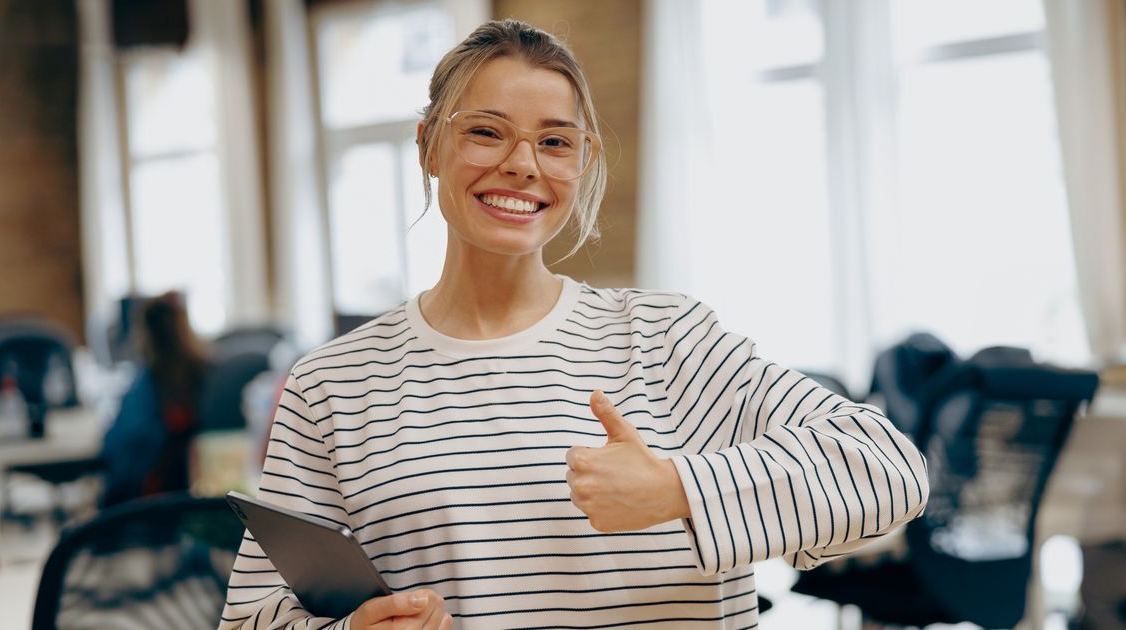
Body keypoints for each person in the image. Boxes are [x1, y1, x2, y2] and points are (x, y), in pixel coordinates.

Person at [221, 19, 928, 629]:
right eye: (486, 132)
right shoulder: (330, 385)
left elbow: (890, 469)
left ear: (583, 161)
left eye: (555, 143)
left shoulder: (666, 337)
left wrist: (679, 489)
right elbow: (255, 617)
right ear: (428, 146)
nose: (522, 164)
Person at [101, 291, 208, 506]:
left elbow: (112, 449)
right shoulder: (206, 375)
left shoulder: (145, 387)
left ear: (144, 334)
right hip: (191, 499)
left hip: (139, 507)